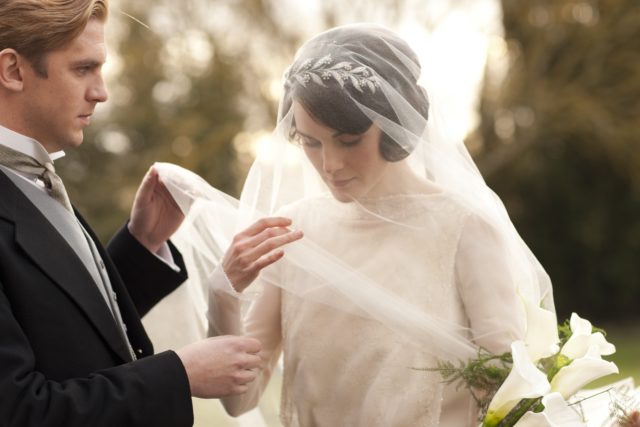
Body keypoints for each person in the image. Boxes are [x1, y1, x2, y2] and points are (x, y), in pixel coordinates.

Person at [154, 23, 556, 426]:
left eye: (348, 140)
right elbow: (240, 401)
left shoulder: (465, 227)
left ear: (400, 121)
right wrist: (222, 292)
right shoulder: (291, 231)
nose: (330, 165)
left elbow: (508, 394)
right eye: (310, 142)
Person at [0, 1, 301, 425]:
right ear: (13, 71)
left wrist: (142, 244)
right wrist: (180, 373)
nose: (101, 91)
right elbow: (18, 412)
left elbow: (60, 328)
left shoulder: (32, 175)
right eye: (83, 69)